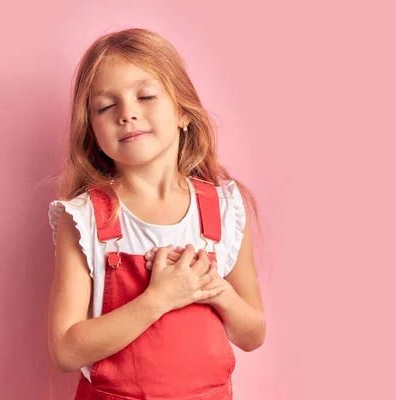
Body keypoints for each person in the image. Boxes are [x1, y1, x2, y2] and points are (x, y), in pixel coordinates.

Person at [46, 28, 266, 400]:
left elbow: (253, 334)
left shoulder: (225, 209)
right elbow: (65, 351)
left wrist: (217, 291)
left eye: (145, 96)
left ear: (183, 111)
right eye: (105, 106)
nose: (127, 113)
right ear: (92, 131)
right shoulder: (84, 218)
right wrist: (160, 297)